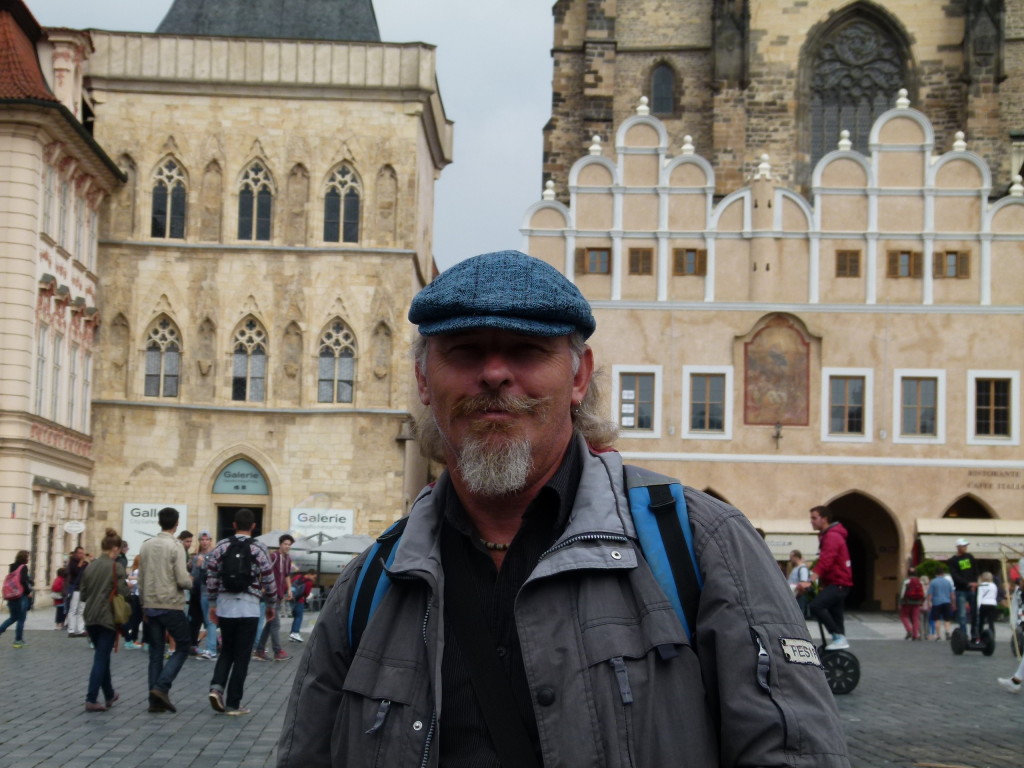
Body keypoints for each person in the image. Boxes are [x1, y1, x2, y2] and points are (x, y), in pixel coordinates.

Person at [278, 250, 849, 768]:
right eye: (465, 351)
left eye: (527, 351)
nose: (495, 373)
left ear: (578, 376)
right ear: (425, 379)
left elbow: (795, 752)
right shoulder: (372, 584)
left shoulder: (701, 543)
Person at [206, 507, 276, 716]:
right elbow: (269, 578)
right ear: (253, 527)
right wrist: (271, 604)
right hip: (249, 606)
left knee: (227, 650)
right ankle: (233, 703)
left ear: (234, 525)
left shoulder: (221, 546)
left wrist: (212, 604)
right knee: (242, 655)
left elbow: (211, 575)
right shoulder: (259, 548)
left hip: (226, 605)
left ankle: (216, 687)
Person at [138, 506, 193, 713]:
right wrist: (191, 582)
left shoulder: (146, 545)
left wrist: (143, 603)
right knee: (183, 645)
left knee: (155, 653)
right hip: (170, 604)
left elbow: (141, 577)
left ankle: (154, 701)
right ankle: (162, 687)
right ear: (176, 523)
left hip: (150, 604)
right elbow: (181, 578)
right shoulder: (176, 546)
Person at [79, 528, 129, 712]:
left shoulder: (90, 565)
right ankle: (91, 698)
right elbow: (124, 593)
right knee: (101, 658)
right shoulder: (116, 567)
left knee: (103, 655)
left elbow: (83, 594)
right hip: (107, 617)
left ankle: (109, 694)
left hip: (90, 617)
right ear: (115, 548)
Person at [806, 504, 854, 651]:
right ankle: (839, 643)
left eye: (814, 518)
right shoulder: (829, 535)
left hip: (838, 583)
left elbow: (826, 560)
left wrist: (810, 580)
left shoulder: (832, 536)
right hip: (836, 583)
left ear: (824, 519)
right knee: (836, 614)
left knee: (816, 606)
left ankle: (838, 637)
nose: (811, 521)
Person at [254, 534, 293, 662]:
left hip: (279, 594)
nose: (287, 546)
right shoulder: (274, 556)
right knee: (275, 624)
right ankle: (277, 651)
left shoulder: (287, 559)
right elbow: (263, 570)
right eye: (285, 544)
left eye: (289, 544)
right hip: (271, 593)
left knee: (270, 623)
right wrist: (263, 586)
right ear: (280, 544)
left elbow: (287, 575)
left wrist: (289, 589)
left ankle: (260, 650)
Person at [191, 531, 218, 659]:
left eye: (207, 539)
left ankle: (211, 649)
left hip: (213, 592)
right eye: (202, 540)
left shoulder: (215, 554)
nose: (205, 542)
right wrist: (197, 566)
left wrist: (203, 566)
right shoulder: (197, 557)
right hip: (202, 591)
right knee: (208, 622)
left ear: (210, 540)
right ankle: (210, 647)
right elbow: (194, 576)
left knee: (211, 620)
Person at [947, 538, 979, 640]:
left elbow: (975, 570)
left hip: (972, 589)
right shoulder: (953, 560)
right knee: (962, 615)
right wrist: (967, 583)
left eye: (966, 546)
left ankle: (974, 634)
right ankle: (963, 635)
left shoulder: (970, 557)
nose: (965, 548)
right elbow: (955, 576)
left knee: (975, 613)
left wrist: (975, 583)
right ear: (958, 547)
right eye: (963, 546)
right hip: (961, 590)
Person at [1, 550, 34, 648]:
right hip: (21, 596)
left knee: (13, 617)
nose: (29, 559)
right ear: (24, 558)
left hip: (11, 595)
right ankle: (18, 640)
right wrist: (28, 593)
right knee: (21, 619)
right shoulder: (23, 567)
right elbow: (22, 581)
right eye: (28, 557)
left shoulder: (12, 566)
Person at [66, 546, 90, 637]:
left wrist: (91, 561)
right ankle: (71, 630)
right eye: (80, 553)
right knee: (73, 609)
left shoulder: (85, 563)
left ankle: (80, 629)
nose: (82, 555)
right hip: (75, 589)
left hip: (83, 589)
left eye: (83, 553)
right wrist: (81, 561)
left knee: (81, 610)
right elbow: (75, 571)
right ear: (76, 553)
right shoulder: (72, 562)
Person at [927, 563, 955, 641]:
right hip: (947, 602)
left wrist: (929, 602)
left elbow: (930, 594)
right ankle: (947, 632)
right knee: (947, 619)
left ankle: (938, 635)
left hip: (936, 603)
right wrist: (953, 603)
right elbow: (952, 594)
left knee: (937, 619)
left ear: (935, 574)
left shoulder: (933, 582)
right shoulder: (947, 582)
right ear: (943, 574)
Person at [898, 566, 925, 640]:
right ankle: (915, 634)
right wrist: (922, 601)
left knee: (904, 616)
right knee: (916, 618)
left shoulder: (906, 581)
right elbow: (923, 593)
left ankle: (909, 630)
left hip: (907, 602)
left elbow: (902, 593)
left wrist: (900, 602)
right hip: (917, 602)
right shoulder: (920, 581)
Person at [288, 569, 315, 642]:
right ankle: (295, 633)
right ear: (309, 574)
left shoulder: (298, 576)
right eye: (314, 577)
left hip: (292, 599)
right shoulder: (309, 582)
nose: (314, 579)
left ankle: (292, 634)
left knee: (296, 617)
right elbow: (307, 593)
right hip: (300, 601)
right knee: (299, 617)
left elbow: (290, 584)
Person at [124, 555, 143, 649]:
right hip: (138, 596)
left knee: (135, 619)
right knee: (136, 619)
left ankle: (131, 638)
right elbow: (132, 583)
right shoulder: (137, 571)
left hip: (134, 596)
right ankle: (132, 639)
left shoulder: (132, 571)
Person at [787, 549, 813, 619]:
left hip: (798, 597)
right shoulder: (796, 568)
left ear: (796, 557)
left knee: (798, 617)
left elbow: (803, 584)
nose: (790, 560)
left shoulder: (802, 569)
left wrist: (795, 594)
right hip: (795, 596)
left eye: (791, 557)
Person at [977, 571, 999, 641]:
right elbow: (995, 595)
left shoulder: (982, 585)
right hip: (992, 603)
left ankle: (979, 636)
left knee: (981, 621)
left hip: (984, 604)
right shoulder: (994, 585)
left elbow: (979, 597)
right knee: (991, 622)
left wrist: (978, 607)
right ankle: (992, 637)